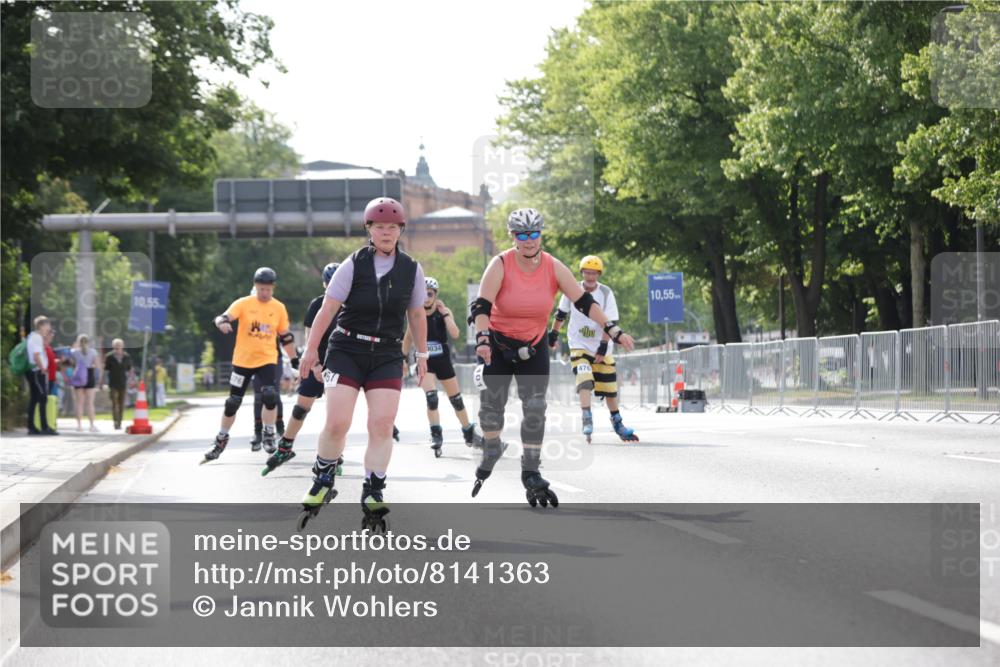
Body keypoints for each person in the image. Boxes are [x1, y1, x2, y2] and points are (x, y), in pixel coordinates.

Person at [469, 208, 635, 507]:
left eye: (534, 234)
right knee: (491, 409)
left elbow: (583, 302)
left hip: (533, 346)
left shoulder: (553, 267)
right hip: (497, 345)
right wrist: (482, 340)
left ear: (541, 234)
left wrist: (612, 329)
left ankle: (531, 471)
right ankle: (492, 446)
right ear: (513, 237)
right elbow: (480, 307)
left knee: (535, 407)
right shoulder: (500, 264)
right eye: (522, 235)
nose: (529, 240)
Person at [296, 197, 428, 532]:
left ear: (401, 230)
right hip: (347, 349)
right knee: (338, 421)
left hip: (386, 353)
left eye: (393, 226)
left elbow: (416, 314)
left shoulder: (412, 269)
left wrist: (422, 355)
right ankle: (324, 475)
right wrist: (311, 349)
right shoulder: (353, 264)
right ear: (369, 229)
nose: (386, 232)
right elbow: (327, 309)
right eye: (379, 226)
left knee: (382, 425)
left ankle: (373, 490)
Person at [201, 267, 299, 463]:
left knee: (270, 395)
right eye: (261, 289)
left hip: (267, 359)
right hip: (243, 361)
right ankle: (220, 439)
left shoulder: (278, 308)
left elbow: (286, 337)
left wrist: (295, 361)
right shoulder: (244, 304)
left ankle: (269, 434)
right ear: (255, 286)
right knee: (232, 402)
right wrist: (221, 322)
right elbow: (224, 316)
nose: (264, 293)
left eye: (268, 290)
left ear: (273, 288)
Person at [548, 255, 639, 443]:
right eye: (587, 272)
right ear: (581, 273)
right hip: (579, 344)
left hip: (601, 345)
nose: (590, 277)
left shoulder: (606, 293)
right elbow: (561, 314)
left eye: (594, 273)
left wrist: (603, 346)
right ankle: (586, 417)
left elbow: (610, 322)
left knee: (609, 389)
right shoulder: (572, 289)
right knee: (584, 380)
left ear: (599, 274)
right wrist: (553, 334)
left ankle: (618, 423)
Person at [263, 262, 340, 475]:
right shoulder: (317, 304)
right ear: (324, 284)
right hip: (316, 361)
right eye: (330, 283)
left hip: (341, 364)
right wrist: (315, 364)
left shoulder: (352, 305)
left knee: (337, 414)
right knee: (301, 407)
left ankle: (335, 455)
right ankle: (285, 446)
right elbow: (309, 336)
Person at [403, 276, 482, 457]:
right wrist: (404, 359)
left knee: (457, 400)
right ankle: (436, 434)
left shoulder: (443, 312)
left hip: (443, 361)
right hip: (425, 362)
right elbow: (407, 338)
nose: (426, 297)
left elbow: (455, 333)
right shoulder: (415, 312)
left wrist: (446, 314)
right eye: (423, 294)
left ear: (435, 295)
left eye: (429, 294)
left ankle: (469, 432)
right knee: (432, 398)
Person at [25, 315, 58, 435]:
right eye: (47, 325)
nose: (49, 328)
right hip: (37, 371)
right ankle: (44, 427)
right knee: (42, 397)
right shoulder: (36, 338)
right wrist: (43, 368)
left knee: (35, 399)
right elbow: (36, 355)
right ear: (41, 326)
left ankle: (31, 427)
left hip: (35, 371)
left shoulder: (35, 337)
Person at [70, 333, 99, 432]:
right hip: (89, 375)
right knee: (90, 403)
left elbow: (70, 363)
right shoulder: (93, 352)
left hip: (78, 376)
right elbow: (97, 365)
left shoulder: (74, 352)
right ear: (88, 342)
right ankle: (91, 425)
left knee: (79, 403)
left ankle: (79, 426)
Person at [103, 338, 133, 430]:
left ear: (122, 347)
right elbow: (105, 370)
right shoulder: (109, 357)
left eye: (119, 346)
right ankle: (115, 422)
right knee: (114, 403)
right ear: (113, 347)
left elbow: (130, 369)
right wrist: (102, 382)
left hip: (123, 383)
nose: (117, 348)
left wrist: (131, 380)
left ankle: (120, 422)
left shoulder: (126, 357)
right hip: (112, 383)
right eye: (116, 347)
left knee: (121, 403)